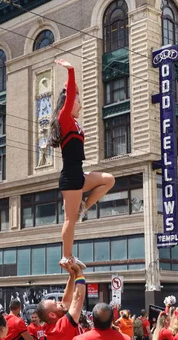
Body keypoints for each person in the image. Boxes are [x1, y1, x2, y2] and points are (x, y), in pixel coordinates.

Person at [49, 58, 115, 267]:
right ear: (69, 102)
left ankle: (84, 207)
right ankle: (66, 256)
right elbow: (69, 98)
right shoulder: (65, 118)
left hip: (79, 174)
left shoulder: (74, 122)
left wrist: (73, 87)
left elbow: (72, 94)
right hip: (70, 177)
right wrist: (70, 71)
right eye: (78, 100)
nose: (81, 104)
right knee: (70, 220)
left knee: (109, 179)